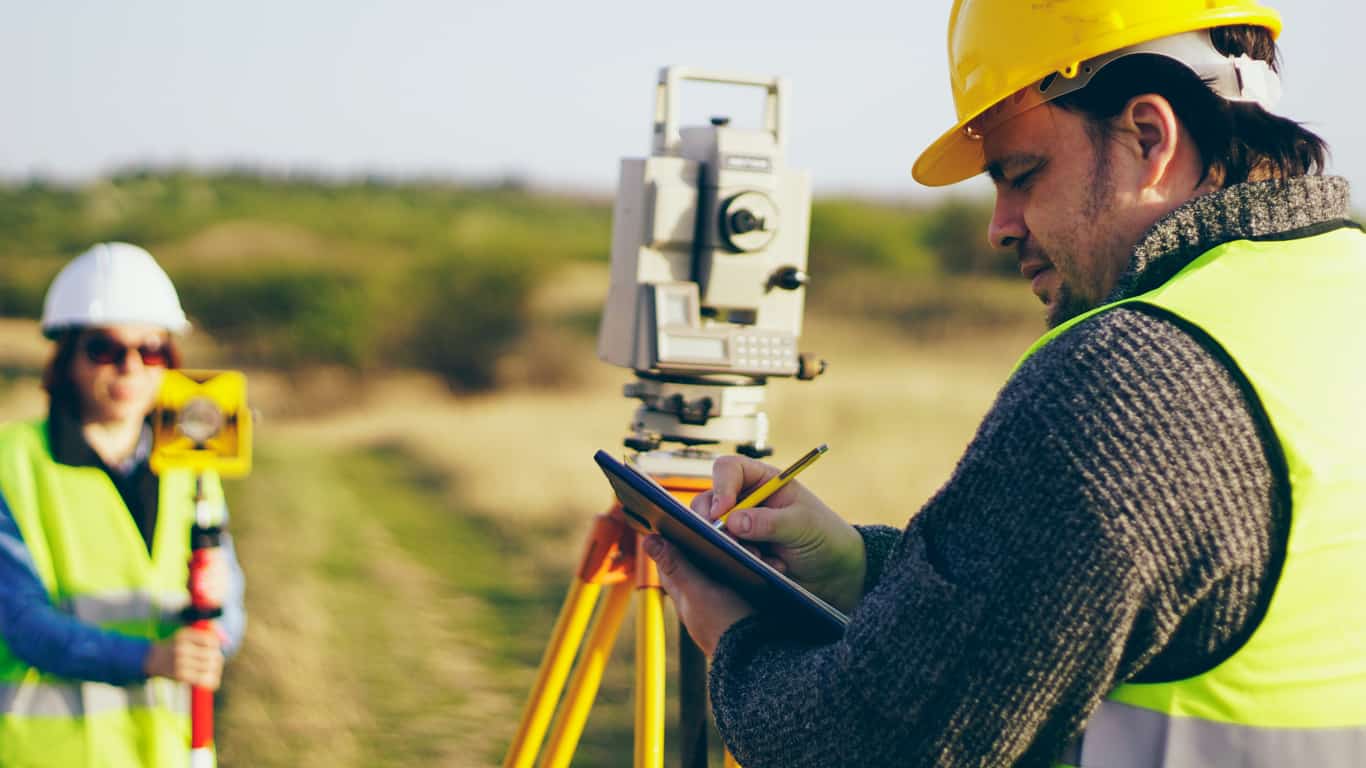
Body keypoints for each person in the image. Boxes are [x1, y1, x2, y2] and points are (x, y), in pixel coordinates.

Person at [643, 1, 1366, 766]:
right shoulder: (1338, 290)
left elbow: (875, 746)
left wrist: (738, 637)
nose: (1001, 226)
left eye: (1022, 174)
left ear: (1148, 137)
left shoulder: (1130, 381)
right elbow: (1147, 597)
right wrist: (861, 569)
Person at [0, 243, 246, 767]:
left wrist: (219, 626)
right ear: (65, 359)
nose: (130, 367)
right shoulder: (12, 462)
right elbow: (23, 625)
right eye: (103, 349)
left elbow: (230, 608)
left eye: (151, 349)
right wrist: (154, 658)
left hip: (168, 750)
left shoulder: (193, 464)